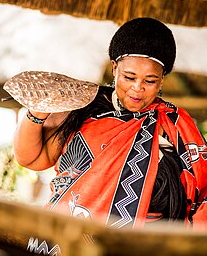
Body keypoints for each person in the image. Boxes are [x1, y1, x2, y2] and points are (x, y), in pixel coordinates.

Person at [14, 17, 207, 230]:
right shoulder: (84, 108)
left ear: (162, 80)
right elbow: (32, 159)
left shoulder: (176, 124)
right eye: (129, 77)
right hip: (69, 238)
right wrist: (37, 113)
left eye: (150, 81)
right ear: (114, 68)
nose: (137, 88)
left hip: (148, 244)